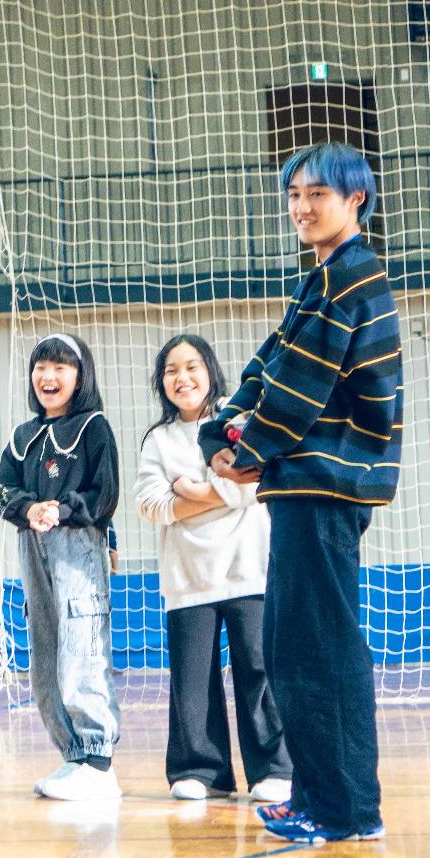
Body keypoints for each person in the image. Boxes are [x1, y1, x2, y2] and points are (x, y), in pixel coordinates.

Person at [205, 141, 402, 846]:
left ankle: (348, 810)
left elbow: (300, 389)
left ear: (356, 199)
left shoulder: (352, 278)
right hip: (304, 488)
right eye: (294, 194)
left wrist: (245, 451)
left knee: (319, 649)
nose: (301, 206)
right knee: (297, 646)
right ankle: (322, 797)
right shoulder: (321, 280)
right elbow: (269, 364)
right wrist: (228, 418)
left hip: (324, 487)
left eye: (317, 193)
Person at [135, 333, 292, 803]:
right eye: (171, 370)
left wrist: (193, 490)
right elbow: (150, 503)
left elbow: (254, 483)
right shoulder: (158, 440)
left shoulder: (237, 423)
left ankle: (274, 768)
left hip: (249, 567)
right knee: (191, 677)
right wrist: (214, 493)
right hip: (187, 578)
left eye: (191, 367)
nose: (182, 378)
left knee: (259, 669)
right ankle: (200, 770)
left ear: (210, 372)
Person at [0, 333, 122, 801]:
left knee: (81, 645)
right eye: (41, 367)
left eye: (61, 368)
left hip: (77, 546)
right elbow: (3, 487)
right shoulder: (23, 437)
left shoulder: (93, 427)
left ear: (80, 374)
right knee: (46, 646)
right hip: (32, 547)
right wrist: (28, 509)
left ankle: (98, 759)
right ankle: (72, 754)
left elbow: (104, 493)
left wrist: (62, 510)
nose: (49, 377)